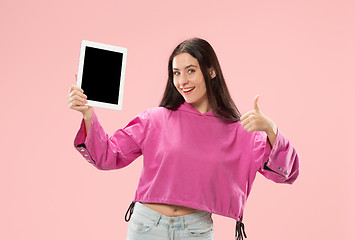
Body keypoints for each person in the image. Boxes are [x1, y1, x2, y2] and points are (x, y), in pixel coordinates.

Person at [67, 38, 299, 240]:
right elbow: (107, 156)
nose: (182, 81)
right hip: (146, 227)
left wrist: (270, 129)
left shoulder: (240, 131)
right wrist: (88, 114)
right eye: (176, 73)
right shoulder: (154, 119)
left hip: (196, 230)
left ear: (211, 71)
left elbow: (286, 174)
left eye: (190, 70)